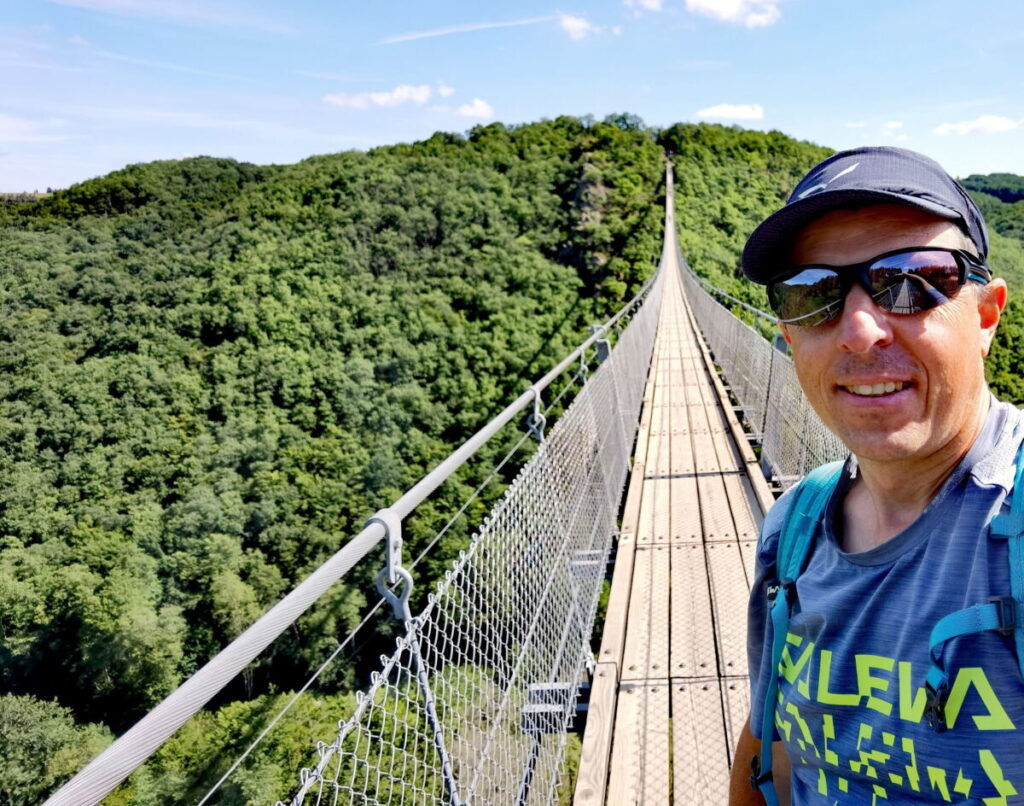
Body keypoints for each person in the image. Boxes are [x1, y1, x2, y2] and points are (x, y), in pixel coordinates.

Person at [728, 146, 1024, 805]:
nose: (860, 331)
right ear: (787, 333)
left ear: (985, 315)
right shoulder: (793, 529)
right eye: (815, 295)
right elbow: (768, 749)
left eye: (911, 280)